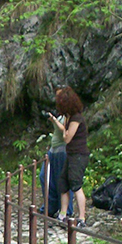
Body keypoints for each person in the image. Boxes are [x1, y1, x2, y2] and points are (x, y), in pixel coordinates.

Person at [49, 86, 89, 227]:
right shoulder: (69, 117)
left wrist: (65, 127)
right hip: (71, 154)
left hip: (79, 155)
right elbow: (64, 131)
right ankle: (62, 215)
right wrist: (56, 120)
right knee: (63, 183)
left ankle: (82, 218)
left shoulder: (76, 118)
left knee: (76, 184)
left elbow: (67, 137)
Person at [39, 113, 73, 217]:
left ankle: (66, 210)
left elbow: (65, 131)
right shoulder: (62, 116)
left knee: (62, 181)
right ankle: (50, 206)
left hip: (63, 151)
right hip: (54, 150)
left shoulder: (70, 116)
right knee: (44, 176)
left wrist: (54, 120)